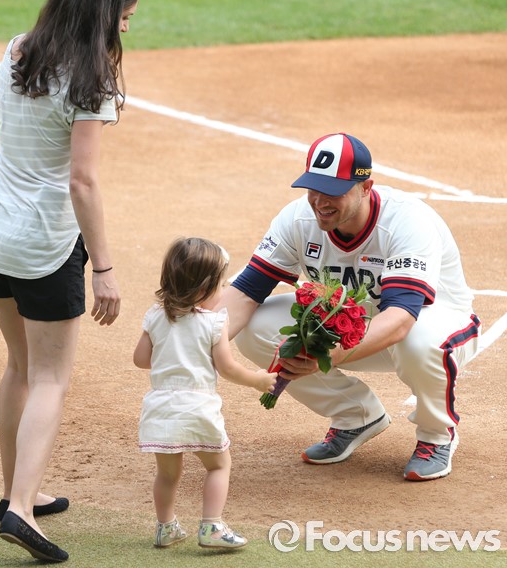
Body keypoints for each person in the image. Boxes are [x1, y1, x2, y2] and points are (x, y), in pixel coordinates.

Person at [0, 0, 144, 561]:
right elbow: (82, 182)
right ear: (101, 14)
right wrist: (104, 268)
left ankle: (16, 492)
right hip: (45, 242)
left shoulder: (18, 48)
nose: (127, 28)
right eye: (124, 17)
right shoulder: (91, 81)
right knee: (50, 377)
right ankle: (21, 509)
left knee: (19, 366)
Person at [220, 132, 480, 482]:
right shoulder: (297, 219)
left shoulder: (407, 221)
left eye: (333, 191)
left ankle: (436, 435)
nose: (320, 201)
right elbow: (246, 292)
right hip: (356, 325)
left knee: (418, 341)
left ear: (365, 187)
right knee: (256, 327)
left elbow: (401, 319)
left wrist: (332, 355)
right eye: (313, 188)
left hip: (434, 324)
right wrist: (200, 339)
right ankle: (356, 416)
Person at [134, 238, 277, 549]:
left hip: (160, 407)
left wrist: (171, 357)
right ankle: (212, 526)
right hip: (197, 407)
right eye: (221, 284)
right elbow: (227, 368)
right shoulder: (214, 322)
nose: (224, 290)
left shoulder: (155, 316)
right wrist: (257, 380)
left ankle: (165, 528)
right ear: (203, 289)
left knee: (167, 475)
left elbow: (141, 359)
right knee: (218, 465)